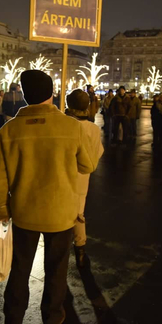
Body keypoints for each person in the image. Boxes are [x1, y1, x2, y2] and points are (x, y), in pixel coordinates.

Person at [0, 70, 101, 324]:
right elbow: (87, 165)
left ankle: (15, 320)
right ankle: (52, 319)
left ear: (24, 95)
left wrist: (1, 208)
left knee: (19, 269)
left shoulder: (8, 130)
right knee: (56, 270)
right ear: (51, 93)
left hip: (24, 210)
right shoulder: (71, 126)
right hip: (61, 212)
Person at [64, 89, 105, 268]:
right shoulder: (93, 129)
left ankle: (60, 249)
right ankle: (80, 248)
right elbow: (98, 153)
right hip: (82, 179)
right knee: (78, 215)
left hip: (63, 176)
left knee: (60, 213)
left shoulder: (65, 125)